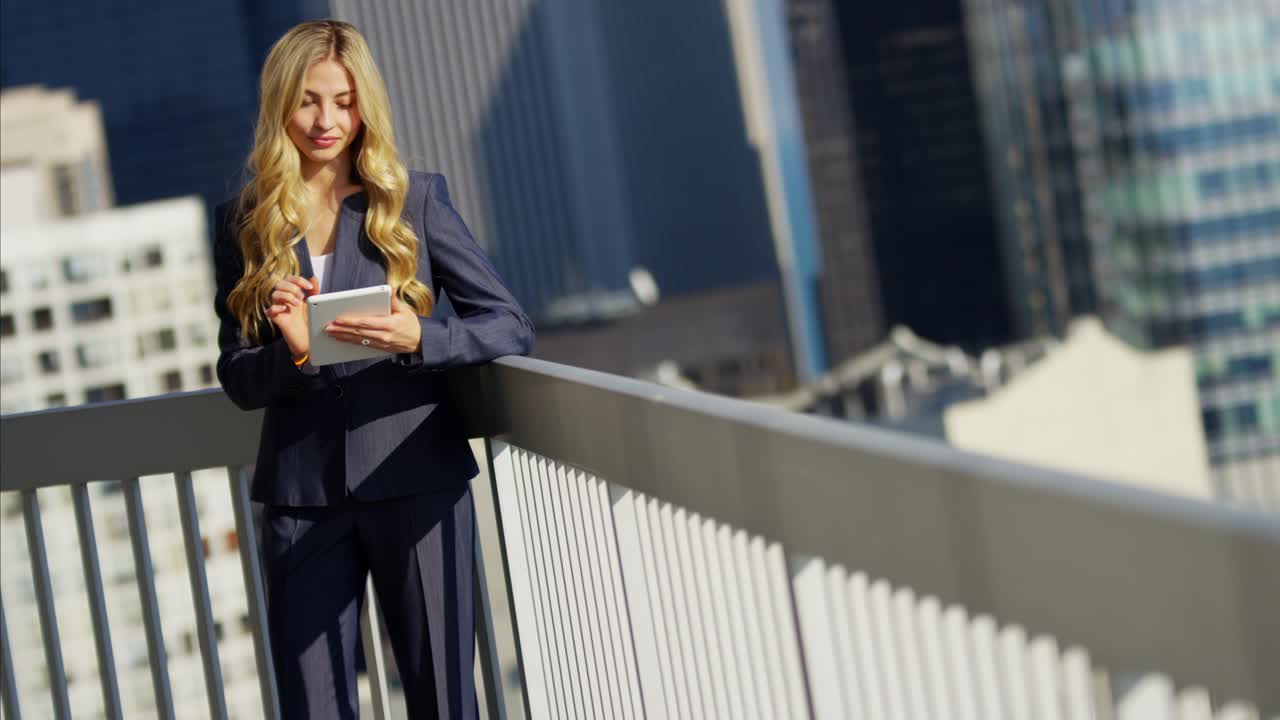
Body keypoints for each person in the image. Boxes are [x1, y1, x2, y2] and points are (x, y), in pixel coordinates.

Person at [212, 19, 533, 719]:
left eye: (344, 101)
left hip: (419, 479)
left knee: (443, 700)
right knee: (312, 706)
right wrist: (295, 354)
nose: (327, 121)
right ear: (278, 105)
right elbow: (237, 376)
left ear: (366, 106)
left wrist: (420, 335)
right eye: (307, 101)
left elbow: (508, 324)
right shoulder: (244, 220)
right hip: (300, 497)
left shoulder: (414, 199)